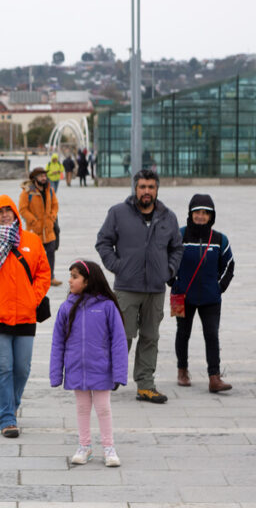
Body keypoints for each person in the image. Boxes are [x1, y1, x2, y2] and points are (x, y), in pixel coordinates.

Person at [95, 170, 183, 404]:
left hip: (156, 288)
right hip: (127, 287)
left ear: (157, 190)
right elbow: (103, 242)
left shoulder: (168, 217)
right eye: (142, 186)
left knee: (150, 336)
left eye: (151, 187)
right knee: (122, 335)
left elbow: (177, 248)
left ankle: (145, 384)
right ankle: (112, 375)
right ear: (135, 188)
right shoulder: (118, 213)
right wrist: (117, 266)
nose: (146, 191)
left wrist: (169, 271)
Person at [0, 195, 51, 438]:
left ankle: (10, 406)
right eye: (0, 212)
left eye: (9, 211)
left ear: (16, 213)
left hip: (25, 315)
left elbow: (43, 274)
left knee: (22, 368)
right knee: (3, 367)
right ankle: (7, 418)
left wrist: (33, 298)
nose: (5, 215)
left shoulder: (32, 241)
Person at [50, 260, 128, 467]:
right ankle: (84, 446)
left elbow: (119, 341)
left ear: (88, 280)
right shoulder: (66, 308)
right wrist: (56, 374)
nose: (70, 280)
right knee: (82, 408)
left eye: (75, 276)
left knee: (103, 408)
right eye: (70, 276)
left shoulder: (107, 307)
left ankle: (109, 448)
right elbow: (57, 342)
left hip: (102, 369)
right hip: (77, 368)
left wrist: (119, 373)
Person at [172, 194, 235, 392]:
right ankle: (182, 370)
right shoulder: (179, 236)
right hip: (180, 296)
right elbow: (165, 260)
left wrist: (220, 287)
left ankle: (214, 377)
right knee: (183, 333)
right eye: (197, 212)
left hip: (211, 298)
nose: (200, 216)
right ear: (190, 214)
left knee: (212, 335)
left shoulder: (219, 239)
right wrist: (172, 282)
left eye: (205, 213)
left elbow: (230, 264)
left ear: (211, 216)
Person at [19, 167, 62, 286]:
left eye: (45, 175)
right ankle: (33, 277)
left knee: (51, 252)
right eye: (41, 176)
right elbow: (23, 210)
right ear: (35, 178)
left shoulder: (50, 190)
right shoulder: (27, 192)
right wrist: (33, 221)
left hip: (49, 229)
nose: (44, 178)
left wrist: (52, 217)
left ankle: (50, 277)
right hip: (34, 230)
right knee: (35, 256)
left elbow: (55, 205)